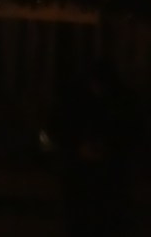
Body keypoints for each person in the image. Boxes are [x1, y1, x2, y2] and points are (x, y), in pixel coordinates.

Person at [54, 59, 139, 237]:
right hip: (85, 176)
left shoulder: (119, 104)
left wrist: (107, 151)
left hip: (106, 178)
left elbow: (130, 137)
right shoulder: (77, 102)